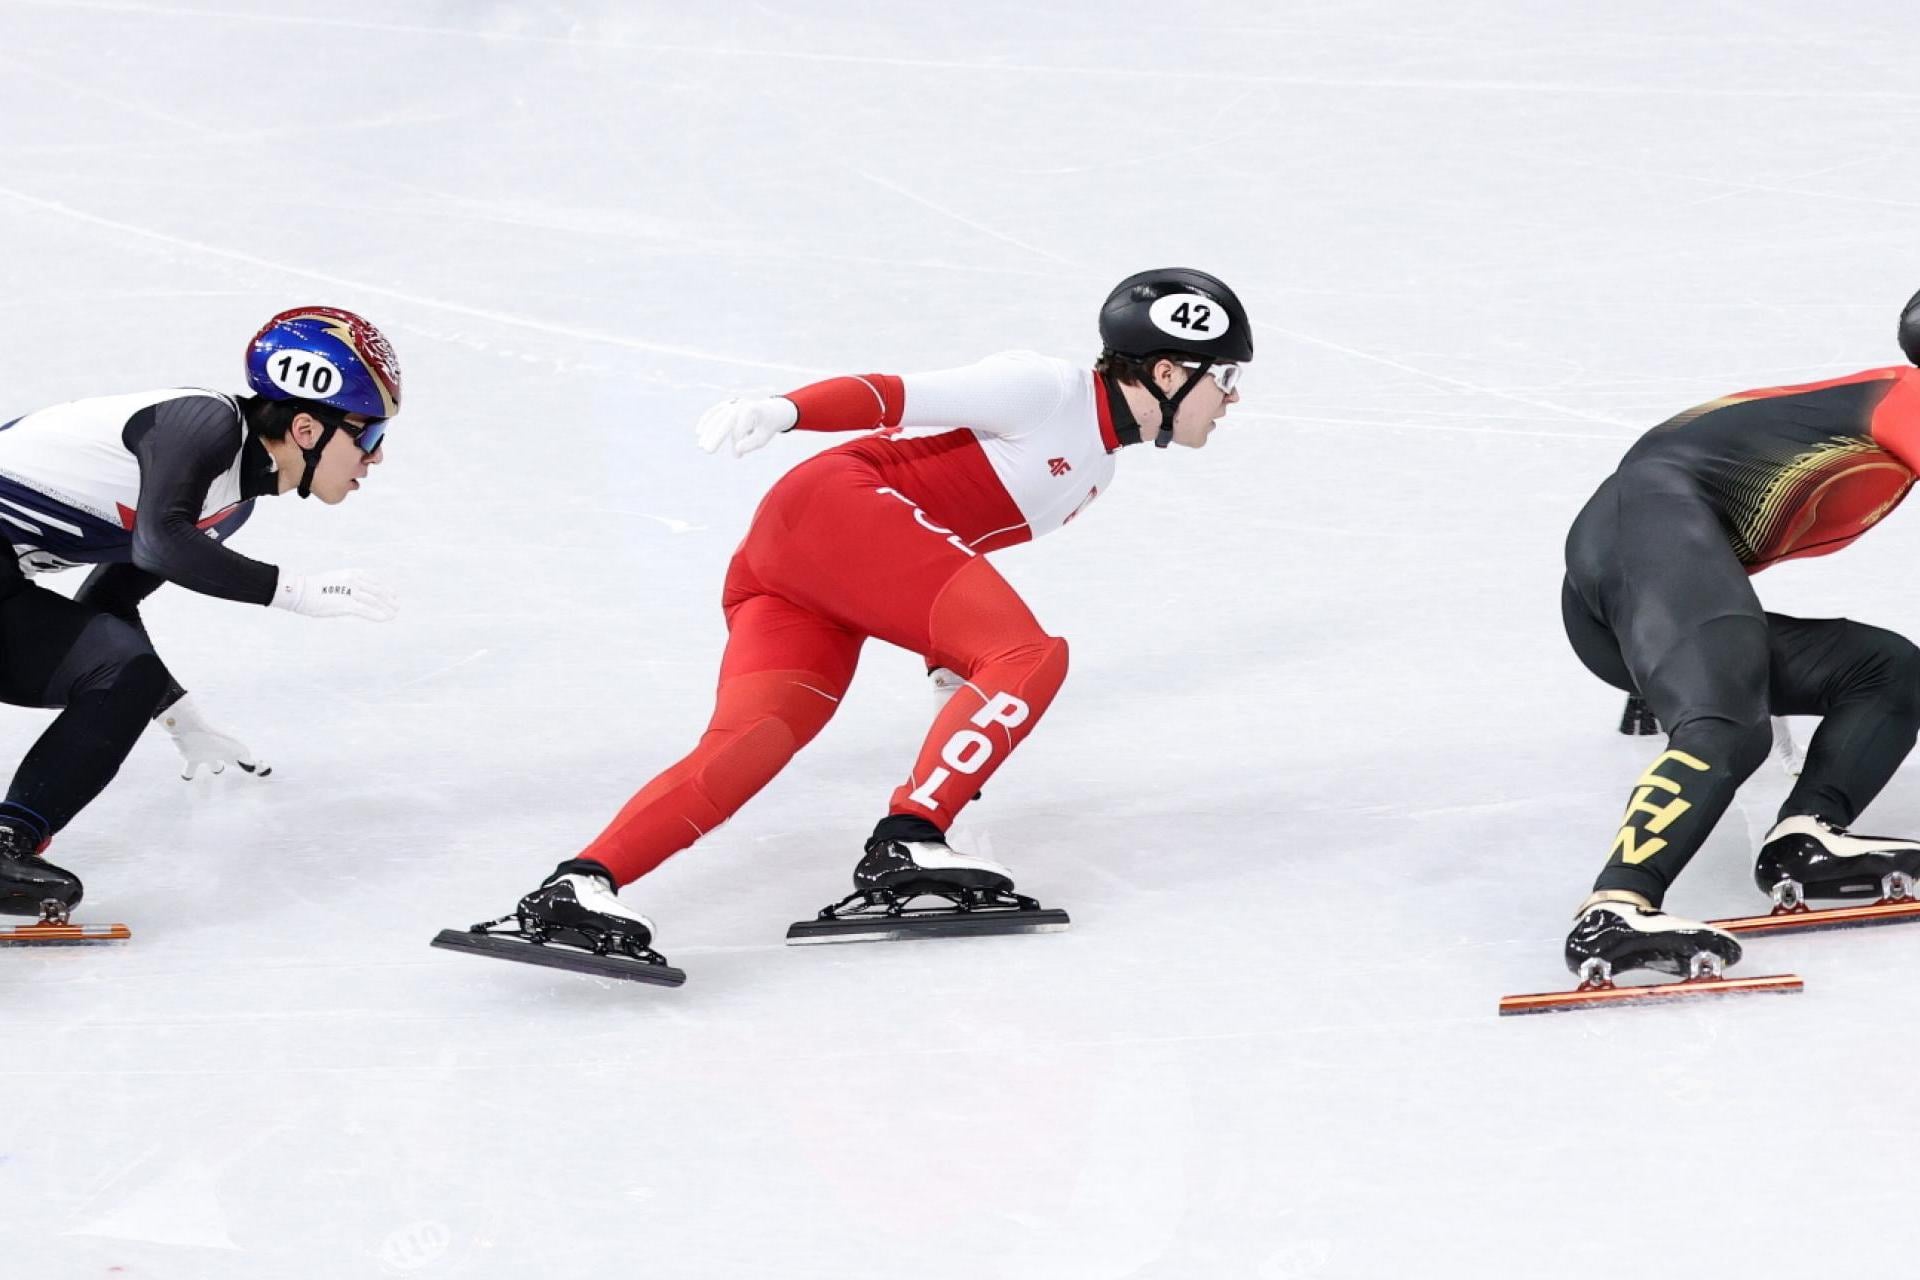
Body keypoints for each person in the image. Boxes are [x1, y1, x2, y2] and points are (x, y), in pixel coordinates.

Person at [481, 268, 1251, 970]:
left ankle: (578, 884)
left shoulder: (1094, 472)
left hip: (804, 561)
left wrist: (945, 664)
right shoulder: (1047, 389)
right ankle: (908, 839)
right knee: (1031, 655)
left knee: (753, 741)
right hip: (840, 509)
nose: (1233, 399)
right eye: (1225, 378)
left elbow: (951, 549)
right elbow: (897, 394)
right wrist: (787, 409)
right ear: (1167, 370)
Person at [1559, 290, 1920, 982]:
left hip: (1625, 584)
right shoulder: (1907, 395)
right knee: (1729, 722)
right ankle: (1614, 908)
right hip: (1642, 542)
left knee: (1885, 669)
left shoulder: (1866, 400)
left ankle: (1805, 839)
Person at [0, 307, 402, 924]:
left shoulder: (230, 503)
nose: (374, 459)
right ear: (304, 428)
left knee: (120, 672)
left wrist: (177, 715)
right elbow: (159, 544)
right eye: (369, 437)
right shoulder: (201, 423)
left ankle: (9, 840)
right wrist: (293, 591)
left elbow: (110, 602)